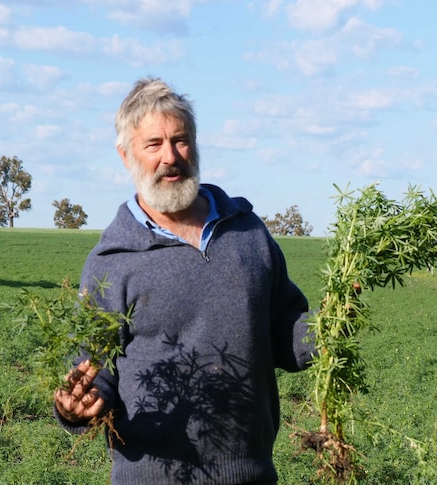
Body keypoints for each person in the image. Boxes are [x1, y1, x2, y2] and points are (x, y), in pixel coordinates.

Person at [53, 77, 314, 484]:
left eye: (180, 140)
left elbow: (284, 325)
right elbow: (91, 366)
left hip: (251, 473)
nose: (170, 157)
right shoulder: (113, 261)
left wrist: (328, 331)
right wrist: (77, 405)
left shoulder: (246, 233)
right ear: (126, 156)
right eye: (153, 144)